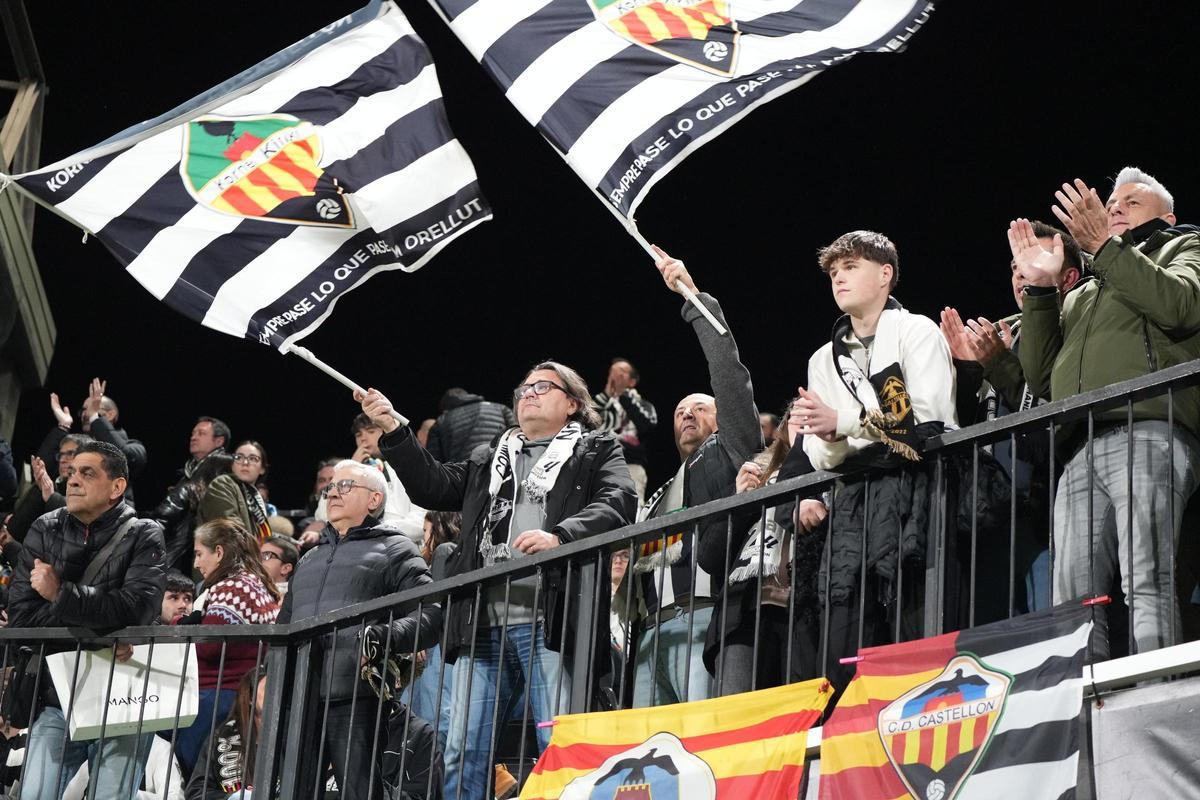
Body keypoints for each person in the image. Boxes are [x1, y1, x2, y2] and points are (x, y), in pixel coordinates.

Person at [366, 360, 636, 800]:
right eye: (523, 387)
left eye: (542, 386)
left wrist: (562, 536)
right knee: (462, 751)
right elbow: (431, 486)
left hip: (551, 623)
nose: (528, 392)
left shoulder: (595, 450)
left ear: (572, 403)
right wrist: (395, 430)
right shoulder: (490, 458)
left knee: (561, 746)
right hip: (480, 627)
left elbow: (620, 499)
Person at [1016, 167, 1200, 655]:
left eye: (1131, 203)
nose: (1115, 207)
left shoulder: (1185, 247)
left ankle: (1151, 695)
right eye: (1112, 202)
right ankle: (1078, 712)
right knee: (1072, 602)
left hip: (1151, 430)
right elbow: (1042, 377)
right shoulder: (1089, 287)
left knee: (1148, 578)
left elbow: (1181, 306)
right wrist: (1038, 291)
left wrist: (1106, 248)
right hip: (1081, 445)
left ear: (1168, 215)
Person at [797, 230, 956, 686]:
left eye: (850, 267)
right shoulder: (822, 360)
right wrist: (832, 432)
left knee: (916, 636)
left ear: (885, 274)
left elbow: (926, 423)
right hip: (853, 510)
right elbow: (823, 457)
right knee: (847, 648)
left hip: (919, 497)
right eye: (833, 271)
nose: (839, 278)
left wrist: (844, 423)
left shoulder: (916, 331)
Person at [619, 246, 762, 709]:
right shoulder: (662, 490)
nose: (686, 415)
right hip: (649, 636)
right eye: (680, 412)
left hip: (705, 618)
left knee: (702, 744)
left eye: (699, 408)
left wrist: (694, 298)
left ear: (722, 419)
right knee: (646, 761)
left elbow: (730, 379)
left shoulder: (732, 448)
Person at [6, 440, 167, 800]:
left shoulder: (145, 533)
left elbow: (137, 608)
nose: (72, 480)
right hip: (56, 695)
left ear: (117, 487)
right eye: (72, 472)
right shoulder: (45, 528)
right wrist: (105, 635)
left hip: (124, 696)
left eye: (87, 473)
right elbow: (22, 615)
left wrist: (60, 594)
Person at [941, 221, 1084, 619]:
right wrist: (968, 370)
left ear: (1068, 276)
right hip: (990, 514)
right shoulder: (1004, 333)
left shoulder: (1075, 325)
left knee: (1047, 624)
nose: (1021, 273)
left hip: (1044, 507)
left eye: (1033, 261)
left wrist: (999, 365)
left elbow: (1048, 408)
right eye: (1015, 267)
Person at [278, 459, 442, 800]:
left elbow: (430, 616)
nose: (333, 493)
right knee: (293, 791)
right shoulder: (309, 558)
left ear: (374, 500)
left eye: (346, 486)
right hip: (302, 697)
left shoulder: (397, 549)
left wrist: (383, 637)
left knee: (359, 792)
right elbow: (284, 626)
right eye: (330, 487)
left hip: (356, 695)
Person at [705, 401, 827, 695]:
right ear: (784, 430)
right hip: (745, 610)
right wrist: (738, 502)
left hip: (808, 611)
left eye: (813, 415)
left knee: (796, 720)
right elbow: (710, 556)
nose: (805, 422)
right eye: (798, 417)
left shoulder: (838, 468)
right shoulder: (757, 474)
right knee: (735, 723)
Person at [174, 519, 281, 777]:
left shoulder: (232, 586)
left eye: (200, 554)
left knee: (196, 776)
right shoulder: (254, 583)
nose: (197, 563)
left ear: (219, 552)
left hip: (216, 698)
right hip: (234, 696)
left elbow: (210, 648)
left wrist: (181, 628)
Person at [185, 666, 267, 800]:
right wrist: (233, 797)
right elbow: (196, 792)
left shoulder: (290, 734)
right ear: (251, 698)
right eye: (268, 689)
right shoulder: (223, 735)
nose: (277, 694)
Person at [594, 358, 658, 503]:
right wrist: (607, 394)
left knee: (631, 506)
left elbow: (647, 426)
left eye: (621, 372)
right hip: (601, 465)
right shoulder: (603, 404)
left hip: (631, 464)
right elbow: (587, 422)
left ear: (632, 381)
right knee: (599, 506)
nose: (615, 375)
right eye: (612, 372)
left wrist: (623, 396)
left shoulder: (643, 404)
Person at [199, 441, 271, 541]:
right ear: (232, 465)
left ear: (262, 468)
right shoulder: (222, 484)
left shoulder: (255, 497)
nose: (245, 463)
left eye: (253, 459)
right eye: (239, 457)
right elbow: (230, 530)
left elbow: (259, 536)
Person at [425, 388, 517, 463]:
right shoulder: (500, 408)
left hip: (464, 478)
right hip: (502, 467)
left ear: (446, 409)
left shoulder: (442, 420)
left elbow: (433, 463)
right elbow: (518, 433)